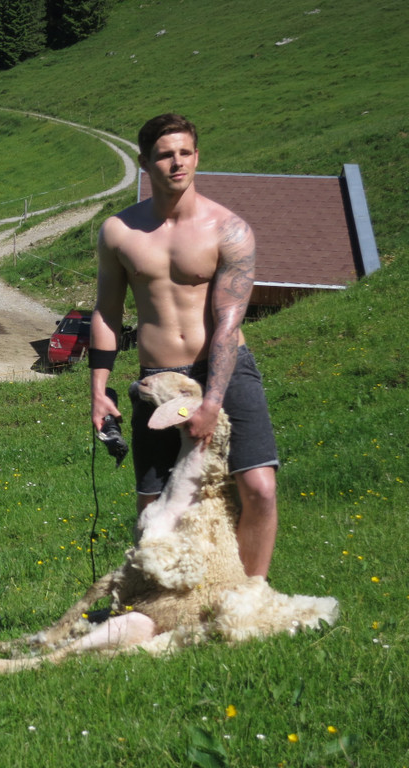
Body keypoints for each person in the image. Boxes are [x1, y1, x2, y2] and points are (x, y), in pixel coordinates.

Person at [89, 113, 278, 577]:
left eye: (185, 153)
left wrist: (212, 401)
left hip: (224, 368)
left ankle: (248, 595)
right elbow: (107, 313)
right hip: (159, 380)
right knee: (154, 505)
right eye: (165, 155)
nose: (177, 163)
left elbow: (228, 323)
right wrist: (99, 389)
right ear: (144, 163)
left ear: (196, 156)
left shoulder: (229, 229)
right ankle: (159, 599)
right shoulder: (119, 232)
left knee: (259, 488)